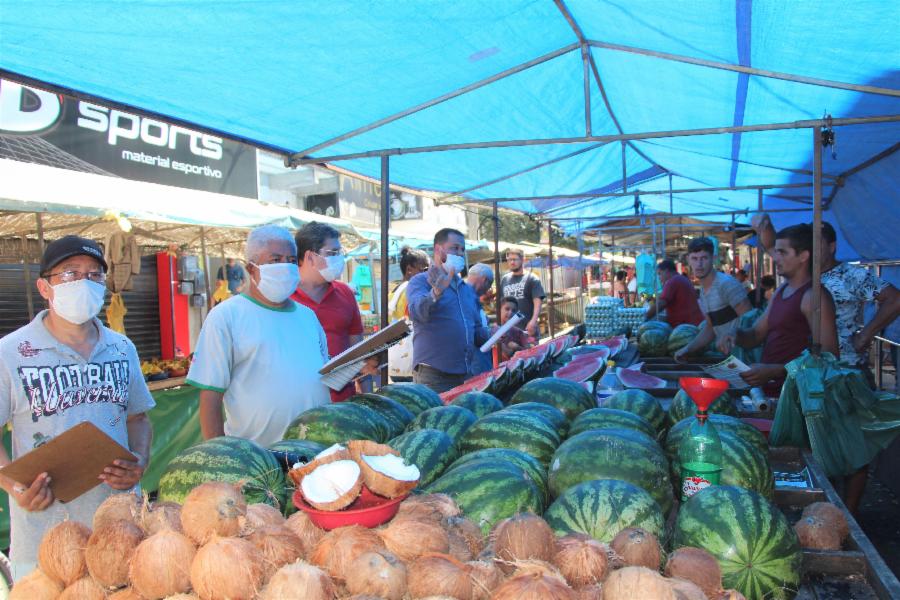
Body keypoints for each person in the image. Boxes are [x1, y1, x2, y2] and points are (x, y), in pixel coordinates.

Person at [0, 235, 155, 578]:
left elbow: (138, 417)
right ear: (44, 287)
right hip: (46, 534)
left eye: (94, 275)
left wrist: (141, 460)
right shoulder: (11, 352)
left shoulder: (122, 347)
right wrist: (16, 487)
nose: (84, 282)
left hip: (119, 528)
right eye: (70, 273)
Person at [188, 225, 330, 446]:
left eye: (291, 260)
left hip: (315, 451)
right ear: (251, 268)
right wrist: (221, 458)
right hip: (257, 458)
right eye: (275, 260)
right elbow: (210, 398)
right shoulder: (225, 317)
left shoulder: (308, 317)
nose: (285, 266)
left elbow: (324, 374)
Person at [753, 214, 900, 384]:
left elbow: (895, 299)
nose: (811, 249)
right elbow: (771, 245)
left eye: (818, 244)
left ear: (832, 247)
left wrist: (866, 335)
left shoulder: (851, 275)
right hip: (804, 370)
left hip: (844, 370)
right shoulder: (799, 275)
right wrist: (764, 223)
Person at [726, 224, 839, 392]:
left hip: (798, 398)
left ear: (803, 256)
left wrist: (775, 371)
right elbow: (756, 334)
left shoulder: (813, 297)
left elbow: (829, 359)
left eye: (782, 252)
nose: (776, 258)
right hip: (772, 394)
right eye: (776, 252)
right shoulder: (781, 290)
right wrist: (735, 335)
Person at [292, 222, 378, 402]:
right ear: (310, 257)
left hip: (343, 403)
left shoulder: (345, 293)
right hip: (299, 403)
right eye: (332, 253)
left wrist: (369, 399)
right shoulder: (285, 297)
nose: (339, 259)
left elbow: (358, 352)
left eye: (340, 253)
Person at [407, 228, 492, 393]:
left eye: (462, 250)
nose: (460, 253)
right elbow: (417, 314)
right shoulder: (420, 282)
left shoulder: (465, 289)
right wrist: (436, 292)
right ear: (438, 249)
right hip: (433, 377)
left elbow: (475, 333)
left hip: (465, 374)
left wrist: (493, 333)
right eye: (455, 248)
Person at [674, 237, 753, 360]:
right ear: (688, 260)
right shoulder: (703, 292)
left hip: (746, 358)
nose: (699, 264)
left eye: (704, 258)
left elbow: (750, 321)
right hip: (731, 359)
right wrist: (688, 349)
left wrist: (733, 333)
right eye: (695, 259)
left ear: (713, 259)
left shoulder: (727, 285)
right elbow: (711, 328)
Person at [388, 247, 429, 382]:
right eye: (424, 269)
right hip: (411, 360)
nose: (428, 273)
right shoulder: (411, 289)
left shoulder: (396, 289)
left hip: (397, 360)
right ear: (409, 269)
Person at [644, 259, 704, 328]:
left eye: (660, 274)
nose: (659, 277)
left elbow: (661, 304)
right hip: (693, 324)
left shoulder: (672, 282)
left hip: (686, 325)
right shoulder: (682, 279)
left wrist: (646, 317)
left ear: (666, 271)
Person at [499, 249, 544, 338]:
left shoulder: (532, 278)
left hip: (527, 329)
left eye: (515, 259)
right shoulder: (504, 279)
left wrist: (533, 321)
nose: (512, 262)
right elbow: (502, 304)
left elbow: (538, 303)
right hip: (510, 331)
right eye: (509, 259)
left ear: (523, 260)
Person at [466, 263, 496, 376]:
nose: (488, 289)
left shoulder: (469, 297)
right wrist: (491, 332)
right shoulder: (468, 298)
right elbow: (474, 333)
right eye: (490, 284)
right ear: (484, 280)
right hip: (475, 363)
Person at [498, 296, 533, 361]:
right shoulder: (493, 331)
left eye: (513, 310)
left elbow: (529, 351)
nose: (510, 313)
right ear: (499, 310)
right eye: (507, 309)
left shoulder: (518, 332)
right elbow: (508, 353)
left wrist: (517, 347)